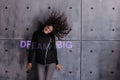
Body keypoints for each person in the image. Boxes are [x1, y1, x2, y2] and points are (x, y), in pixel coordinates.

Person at [26, 10, 72, 80]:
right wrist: (29, 61)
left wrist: (57, 63)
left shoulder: (51, 37)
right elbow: (32, 48)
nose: (47, 30)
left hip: (51, 63)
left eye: (50, 30)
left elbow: (54, 50)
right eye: (48, 27)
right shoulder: (36, 34)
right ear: (46, 25)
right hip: (39, 62)